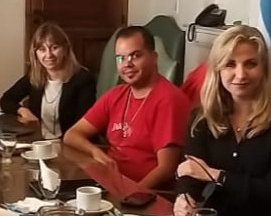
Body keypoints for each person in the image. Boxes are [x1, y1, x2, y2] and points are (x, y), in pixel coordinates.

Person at [170, 26, 271, 216]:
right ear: (217, 70)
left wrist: (215, 175)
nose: (241, 74)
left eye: (251, 64)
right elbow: (191, 172)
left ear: (264, 68)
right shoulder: (201, 118)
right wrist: (183, 197)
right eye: (230, 64)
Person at [64, 25, 190, 189]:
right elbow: (71, 135)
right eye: (120, 58)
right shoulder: (116, 94)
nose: (127, 64)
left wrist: (131, 195)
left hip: (146, 193)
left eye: (135, 56)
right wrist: (96, 152)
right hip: (110, 183)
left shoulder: (169, 99)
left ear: (154, 58)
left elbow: (166, 169)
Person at [0, 21, 98, 138]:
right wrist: (22, 111)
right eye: (42, 49)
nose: (49, 55)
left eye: (54, 48)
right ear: (35, 53)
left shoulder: (83, 79)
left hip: (69, 143)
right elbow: (6, 100)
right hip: (38, 142)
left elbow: (83, 124)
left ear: (65, 49)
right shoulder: (34, 76)